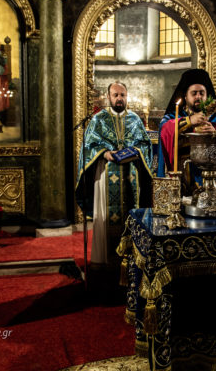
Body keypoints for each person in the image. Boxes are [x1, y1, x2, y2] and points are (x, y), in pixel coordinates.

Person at [75, 82, 153, 299]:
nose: (119, 98)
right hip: (105, 175)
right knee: (105, 221)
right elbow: (89, 145)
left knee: (132, 219)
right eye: (115, 95)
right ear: (108, 97)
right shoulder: (98, 119)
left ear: (127, 96)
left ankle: (132, 270)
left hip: (131, 177)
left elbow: (145, 145)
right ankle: (105, 271)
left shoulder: (135, 119)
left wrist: (135, 151)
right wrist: (104, 153)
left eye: (122, 95)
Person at [157, 68, 216, 203]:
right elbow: (164, 130)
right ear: (185, 96)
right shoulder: (174, 117)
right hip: (184, 174)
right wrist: (189, 121)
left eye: (202, 93)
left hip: (215, 175)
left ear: (207, 95)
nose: (198, 97)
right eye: (194, 93)